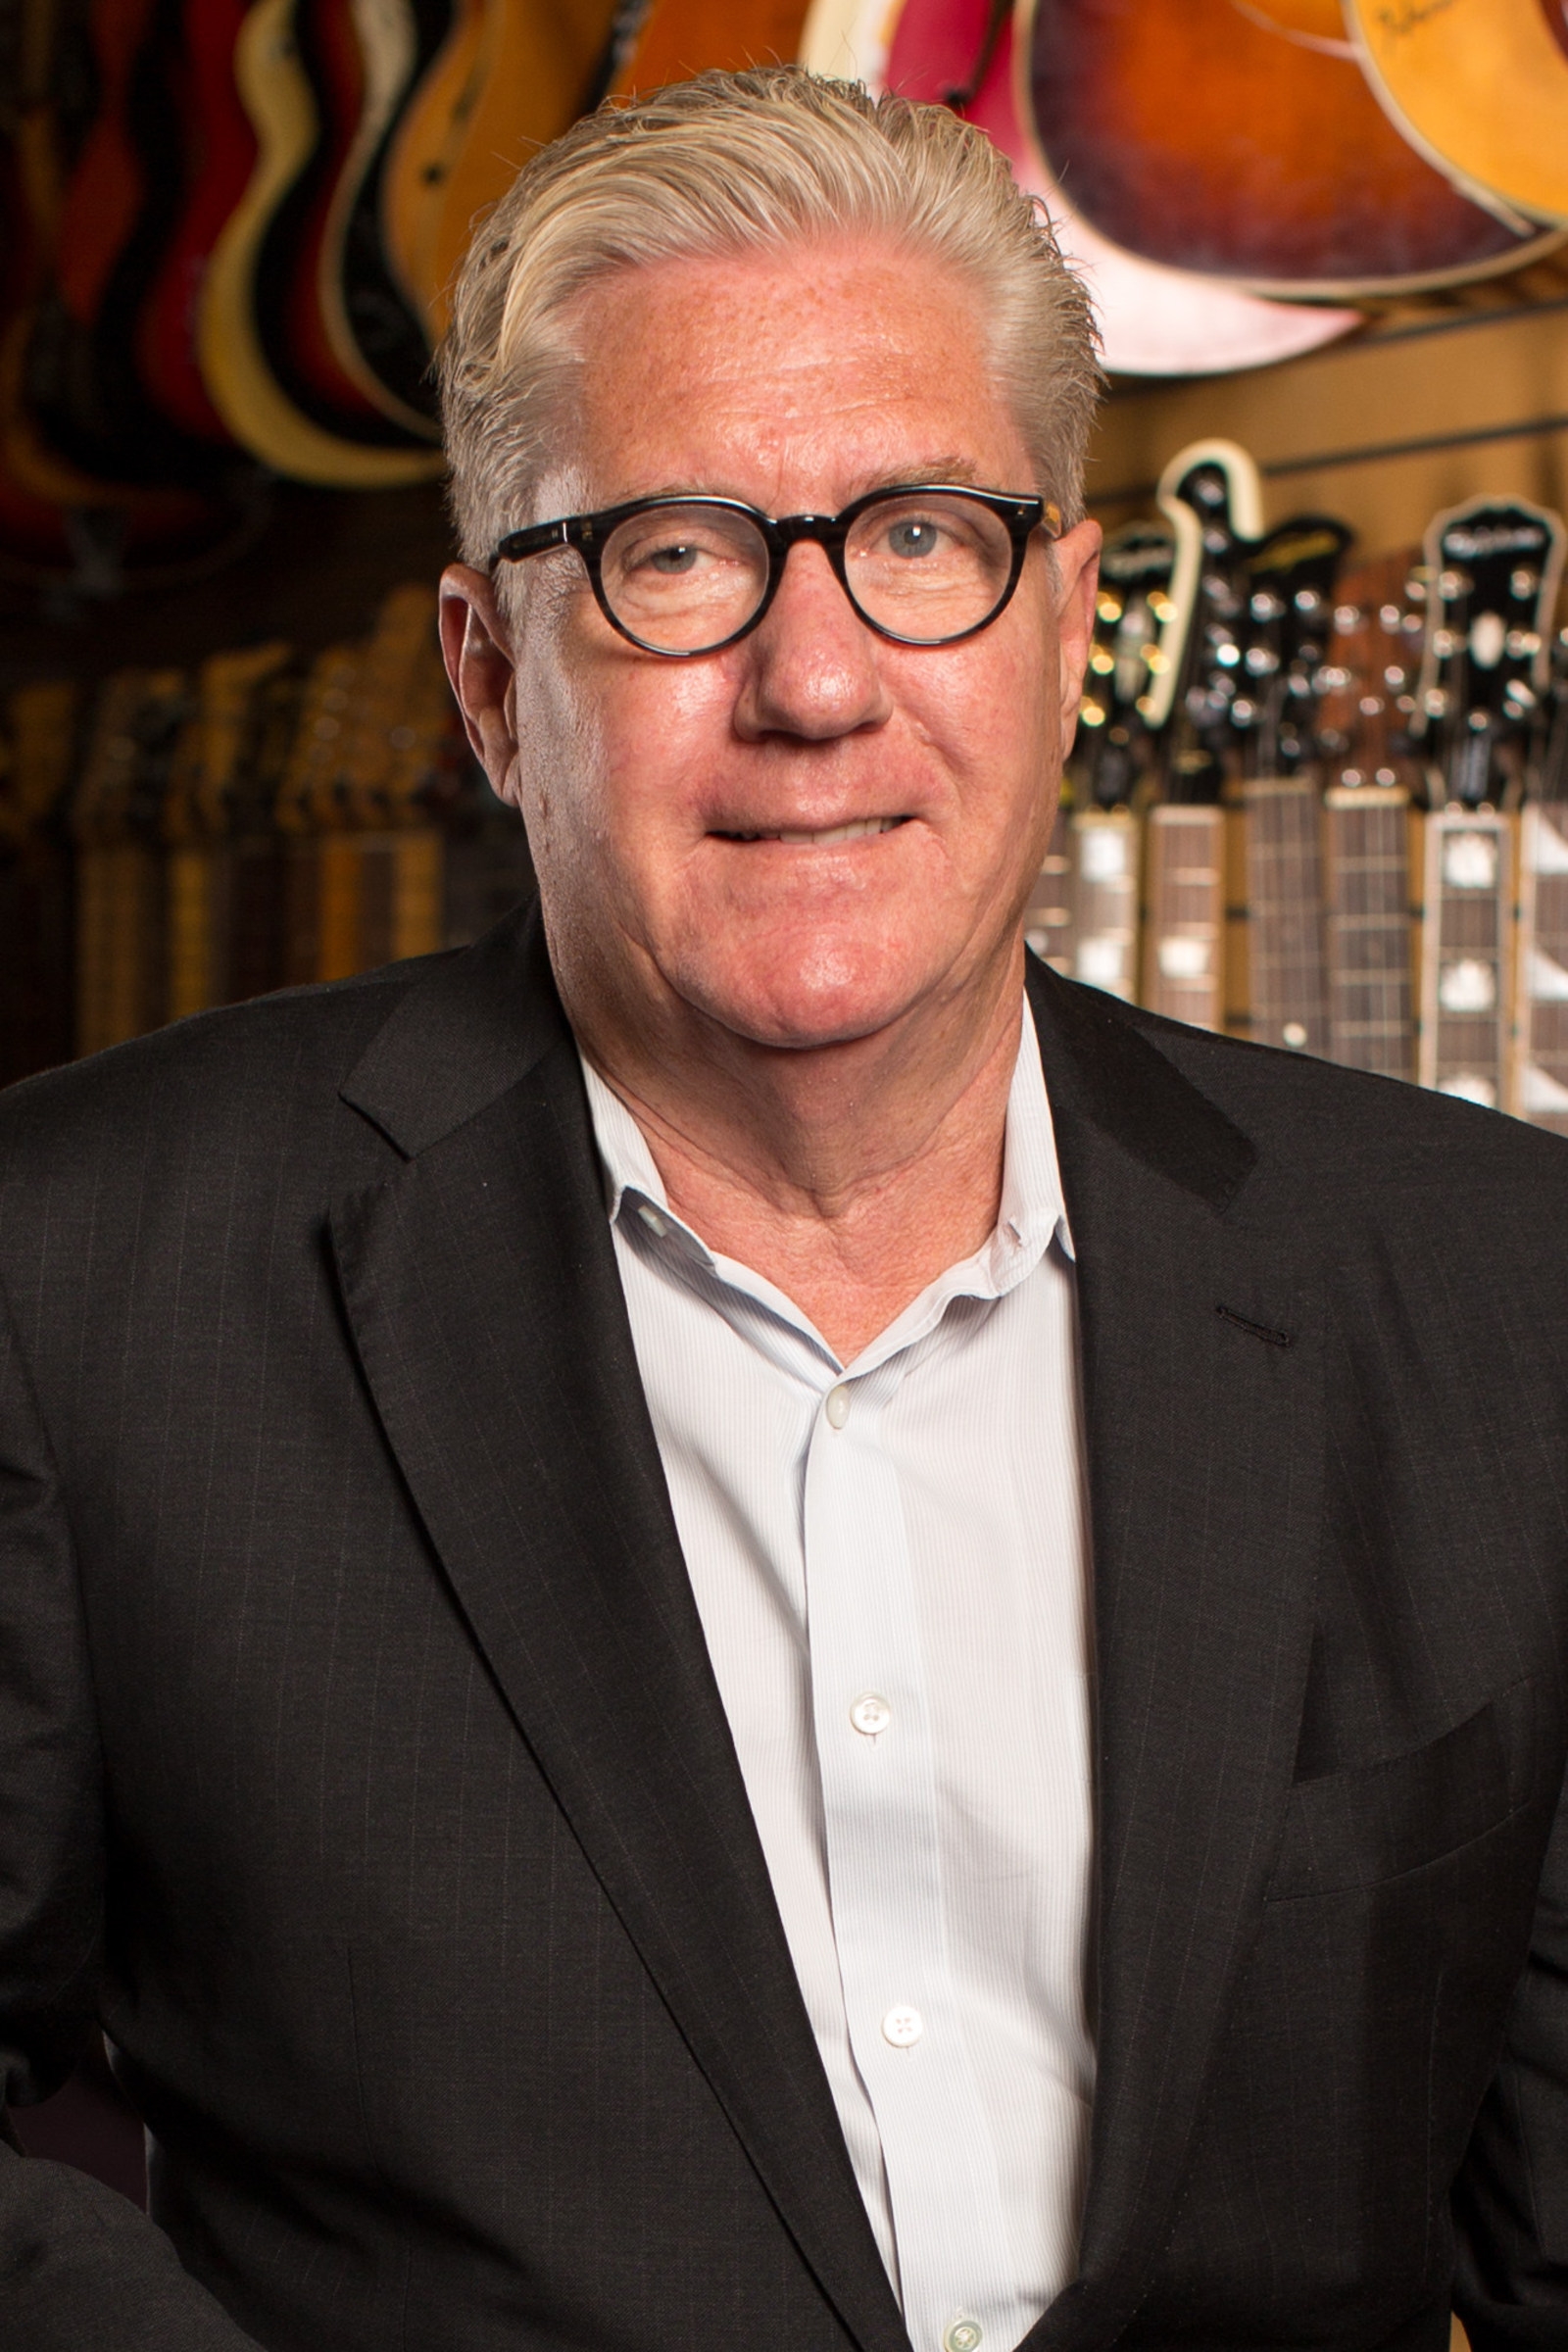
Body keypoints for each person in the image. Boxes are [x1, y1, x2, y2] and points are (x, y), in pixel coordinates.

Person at [1, 63, 1565, 2352]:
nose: (813, 682)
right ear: (487, 679)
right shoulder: (81, 1276)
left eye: (920, 537)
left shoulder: (1497, 1289)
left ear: (1068, 628)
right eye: (672, 555)